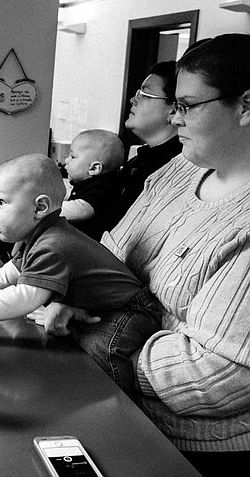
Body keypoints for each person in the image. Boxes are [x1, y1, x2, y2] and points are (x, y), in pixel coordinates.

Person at [40, 34, 250, 476]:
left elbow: (218, 375)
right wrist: (84, 299)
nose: (175, 119)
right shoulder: (177, 170)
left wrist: (106, 340)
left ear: (245, 105)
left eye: (187, 106)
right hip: (111, 385)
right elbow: (111, 254)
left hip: (186, 446)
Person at [0, 154, 162, 395]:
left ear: (40, 207)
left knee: (99, 347)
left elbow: (26, 296)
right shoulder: (41, 235)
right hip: (106, 305)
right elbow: (17, 267)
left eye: (1, 203)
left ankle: (118, 399)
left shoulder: (52, 245)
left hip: (130, 310)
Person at [97, 60, 182, 233]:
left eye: (145, 94)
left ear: (173, 111)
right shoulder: (139, 160)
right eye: (138, 92)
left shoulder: (171, 169)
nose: (133, 100)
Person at [60, 129, 125, 240]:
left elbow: (82, 209)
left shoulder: (103, 187)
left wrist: (50, 208)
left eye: (73, 156)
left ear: (94, 168)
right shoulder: (92, 183)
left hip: (84, 244)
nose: (66, 160)